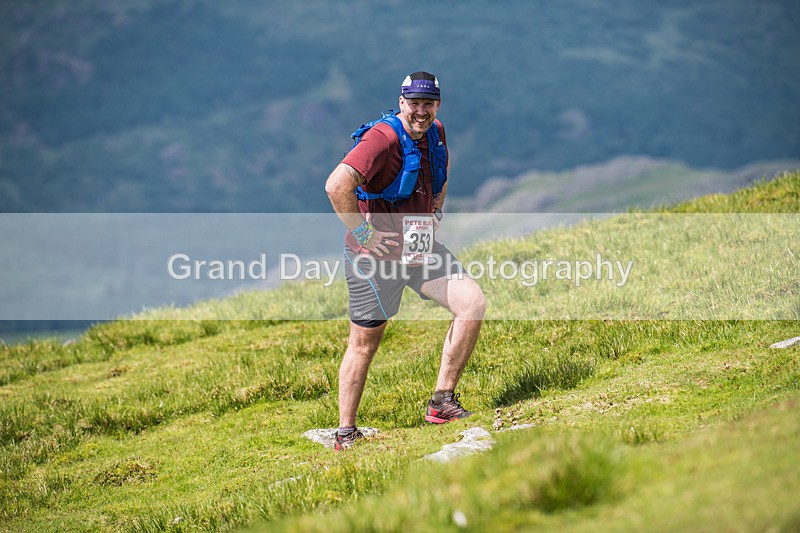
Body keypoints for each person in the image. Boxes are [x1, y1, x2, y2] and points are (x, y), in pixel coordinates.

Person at [324, 71, 487, 451]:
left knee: (472, 304)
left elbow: (442, 171)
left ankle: (441, 402)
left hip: (419, 247)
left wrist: (435, 209)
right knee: (365, 342)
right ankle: (345, 432)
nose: (421, 110)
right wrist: (364, 234)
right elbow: (336, 186)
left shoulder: (436, 131)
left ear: (437, 105)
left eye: (428, 103)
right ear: (401, 102)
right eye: (414, 103)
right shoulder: (380, 140)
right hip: (374, 258)